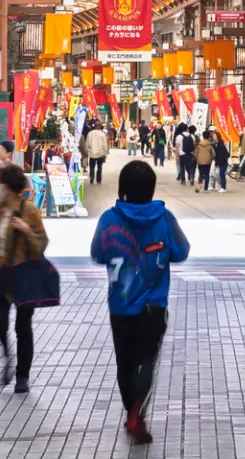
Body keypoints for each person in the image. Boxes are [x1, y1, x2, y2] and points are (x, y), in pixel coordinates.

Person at [91, 160, 190, 446]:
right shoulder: (164, 219)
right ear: (151, 189)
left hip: (120, 306)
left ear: (122, 188)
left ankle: (131, 412)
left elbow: (97, 253)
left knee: (125, 362)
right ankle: (137, 412)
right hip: (154, 307)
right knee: (147, 360)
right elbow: (182, 252)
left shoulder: (109, 220)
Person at [0, 164, 49, 393]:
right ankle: (8, 359)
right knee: (0, 325)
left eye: (1, 183)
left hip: (24, 277)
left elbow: (42, 244)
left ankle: (22, 375)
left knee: (23, 327)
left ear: (8, 187)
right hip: (1, 275)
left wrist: (27, 230)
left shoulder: (29, 211)